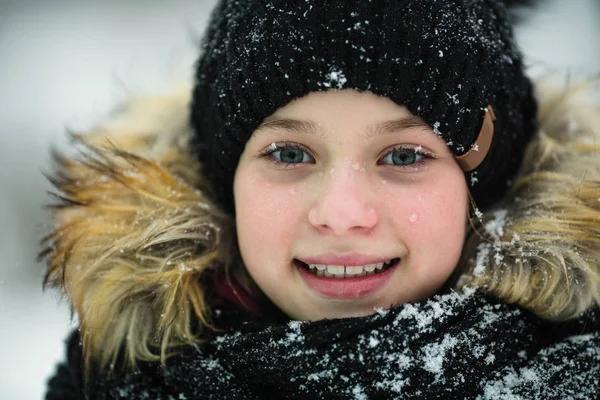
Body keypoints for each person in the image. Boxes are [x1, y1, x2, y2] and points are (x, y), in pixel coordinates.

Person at [43, 0, 600, 398]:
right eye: (289, 154)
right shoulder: (116, 376)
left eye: (403, 156)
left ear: (490, 183)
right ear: (224, 182)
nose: (340, 214)